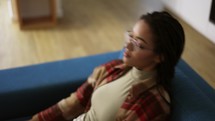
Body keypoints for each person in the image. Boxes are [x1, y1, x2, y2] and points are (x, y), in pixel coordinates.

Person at [30, 11, 185, 121]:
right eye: (130, 36)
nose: (127, 46)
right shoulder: (113, 68)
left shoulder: (154, 105)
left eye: (138, 44)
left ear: (160, 57)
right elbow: (75, 102)